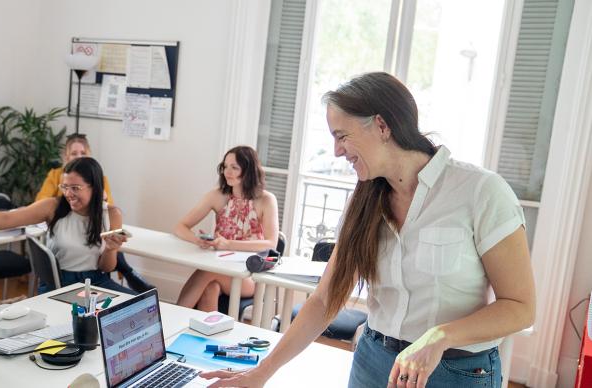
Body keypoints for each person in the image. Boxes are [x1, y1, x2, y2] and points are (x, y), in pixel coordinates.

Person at [202, 72, 535, 388]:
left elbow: (520, 306)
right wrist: (262, 373)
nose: (336, 151)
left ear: (381, 126)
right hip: (375, 361)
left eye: (342, 136)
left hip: (456, 370)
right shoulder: (362, 204)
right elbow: (324, 300)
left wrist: (441, 335)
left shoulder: (480, 192)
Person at [0, 157, 136, 295]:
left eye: (76, 188)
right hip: (61, 283)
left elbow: (106, 267)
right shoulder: (53, 206)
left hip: (96, 282)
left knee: (140, 307)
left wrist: (110, 249)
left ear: (95, 187)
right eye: (65, 187)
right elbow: (8, 219)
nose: (69, 194)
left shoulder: (111, 215)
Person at [35, 134, 153, 293]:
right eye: (74, 154)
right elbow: (41, 200)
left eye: (82, 153)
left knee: (108, 242)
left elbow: (108, 209)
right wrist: (69, 195)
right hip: (68, 253)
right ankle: (127, 271)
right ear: (66, 157)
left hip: (94, 258)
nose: (79, 157)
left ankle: (127, 271)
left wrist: (96, 200)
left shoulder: (98, 180)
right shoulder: (56, 177)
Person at [174, 146, 279, 312]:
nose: (227, 172)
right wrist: (197, 240)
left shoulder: (266, 199)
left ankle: (171, 317)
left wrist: (228, 244)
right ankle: (208, 337)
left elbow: (271, 244)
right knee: (211, 288)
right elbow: (180, 227)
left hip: (251, 275)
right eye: (225, 166)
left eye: (234, 167)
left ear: (249, 170)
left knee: (206, 272)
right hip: (220, 267)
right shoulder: (217, 195)